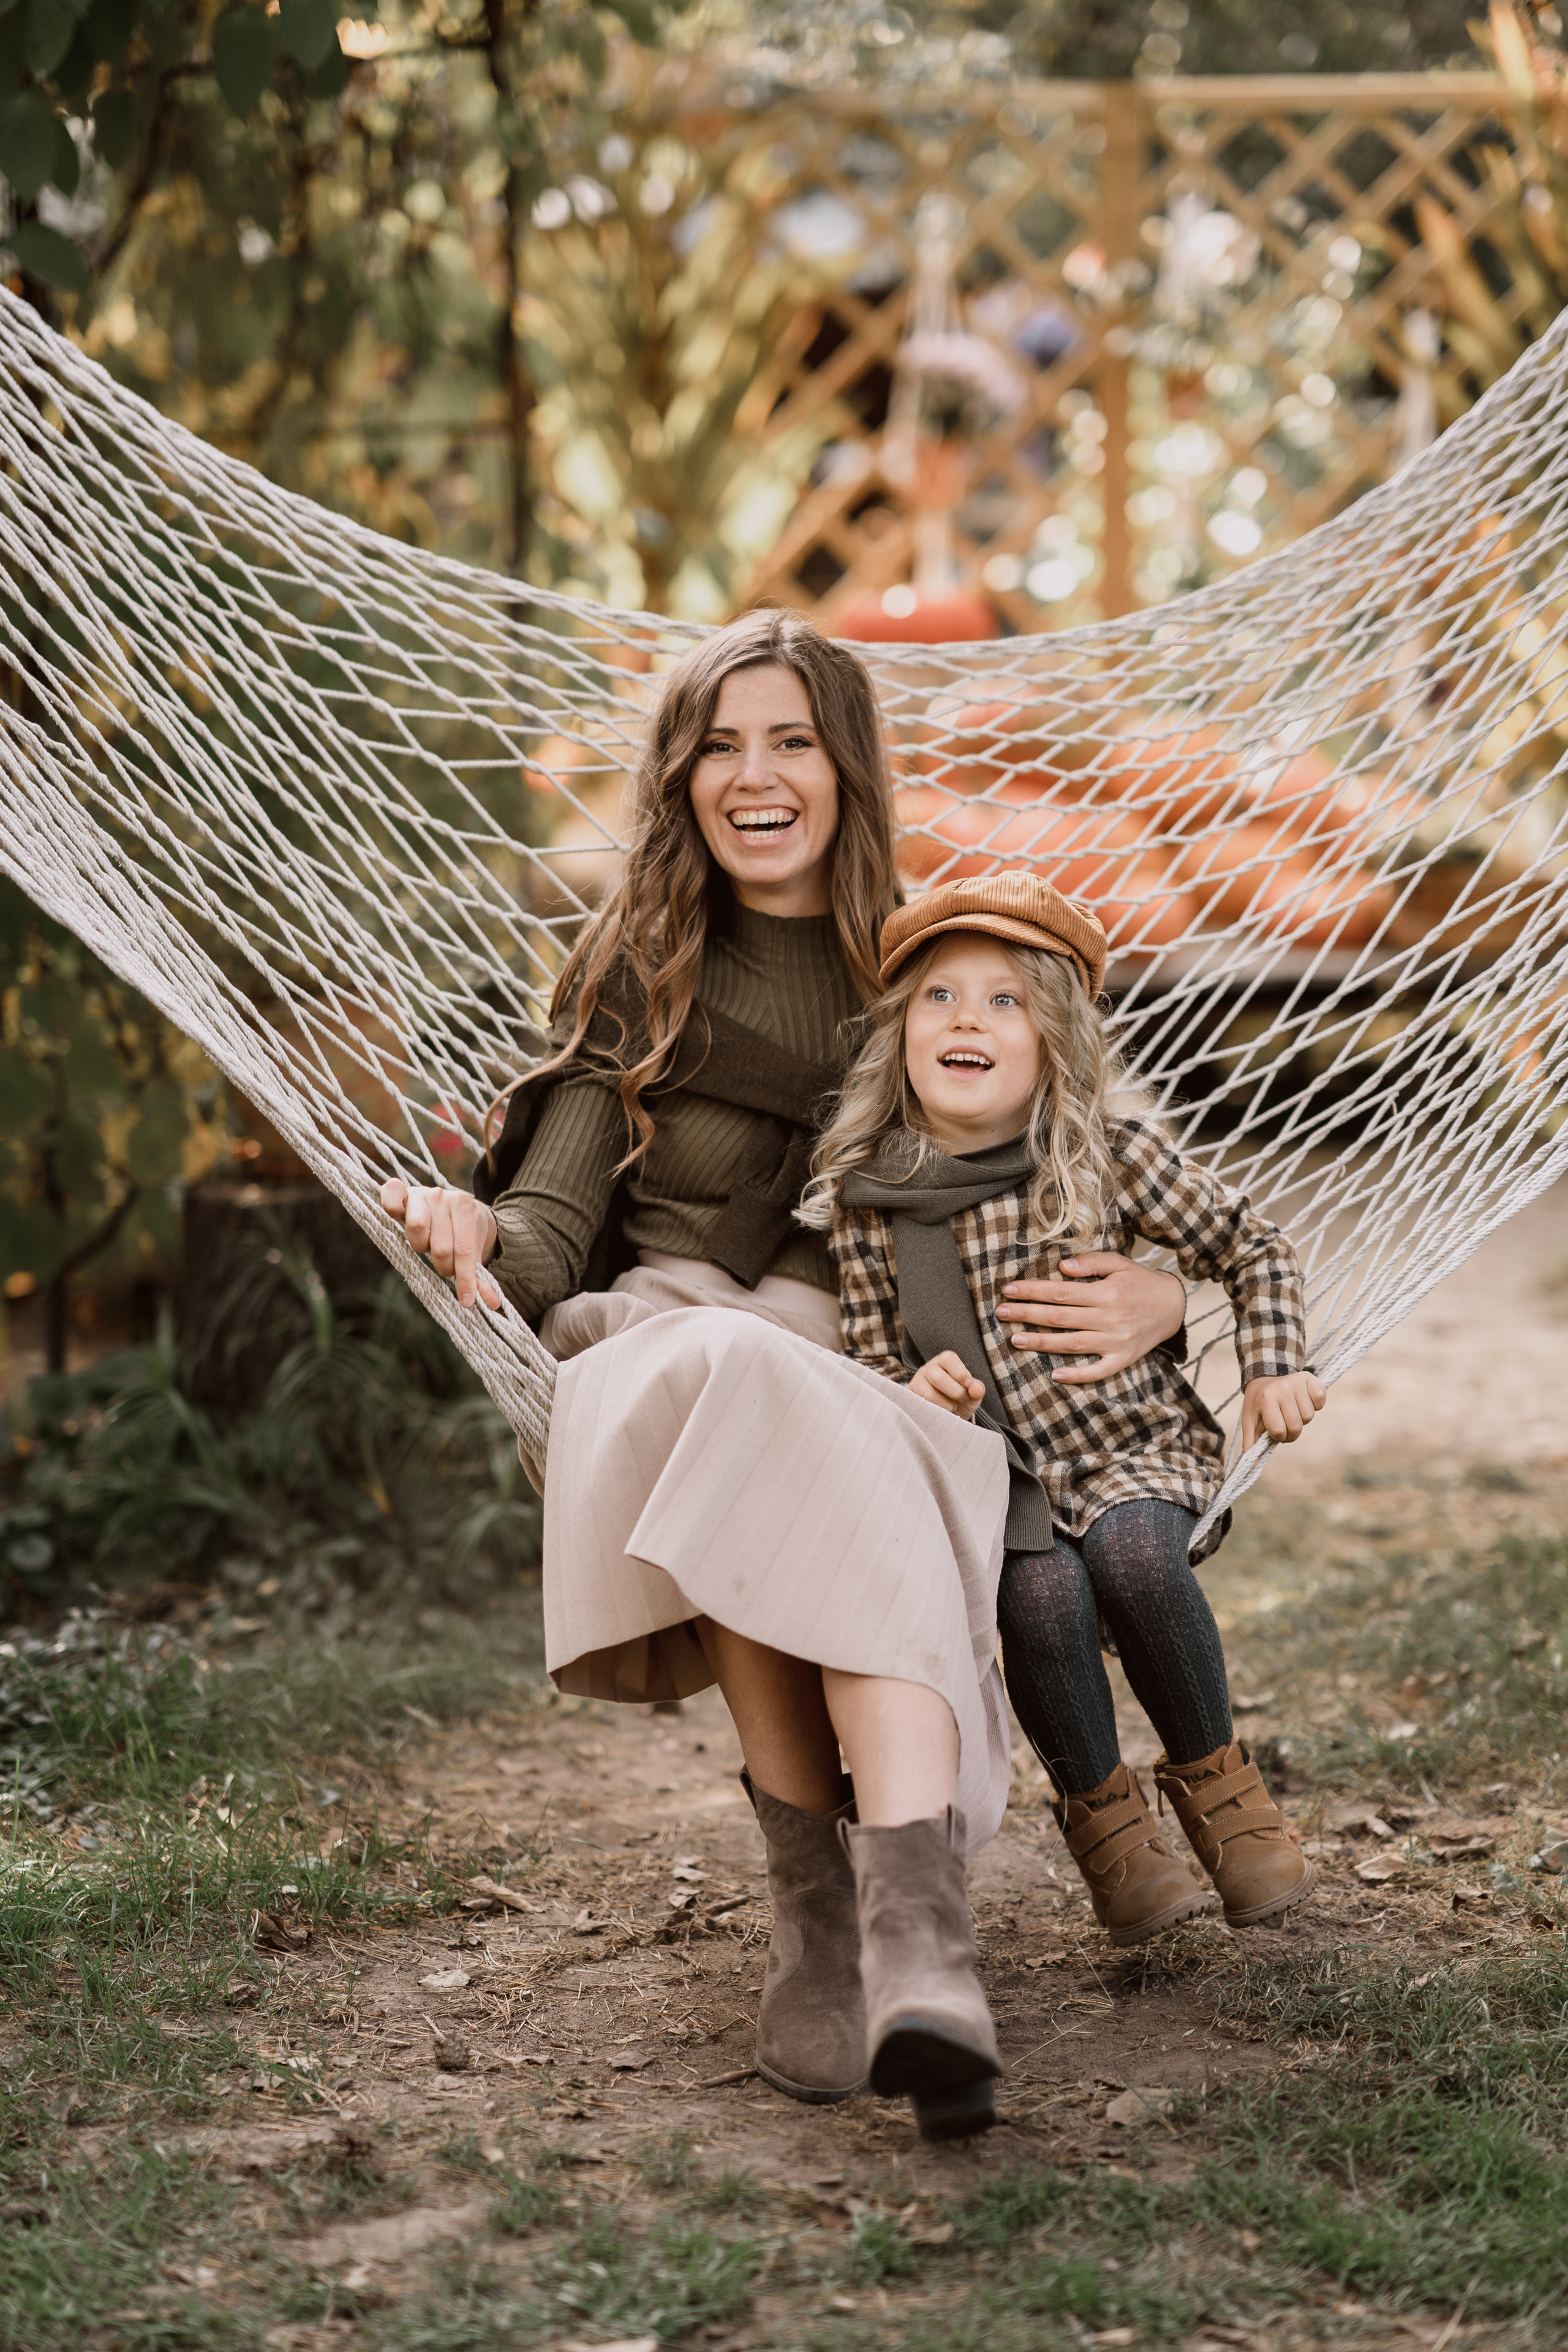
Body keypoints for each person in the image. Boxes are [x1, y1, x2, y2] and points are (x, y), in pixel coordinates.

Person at [379, 612, 1188, 2138]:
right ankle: (846, 1918)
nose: (753, 775)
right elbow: (553, 1227)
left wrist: (1162, 1285)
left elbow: (1082, 1165)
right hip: (652, 1346)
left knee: (815, 1408)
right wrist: (476, 1223)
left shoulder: (925, 965)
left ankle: (898, 1939)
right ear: (681, 778)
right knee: (746, 1379)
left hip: (857, 1364)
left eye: (791, 740)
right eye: (718, 746)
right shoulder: (641, 963)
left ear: (845, 766)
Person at [803, 869, 1322, 1947]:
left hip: (1129, 1447)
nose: (968, 1021)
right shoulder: (868, 1198)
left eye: (1006, 1002)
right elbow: (862, 1352)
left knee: (1134, 1560)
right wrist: (909, 1390)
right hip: (1001, 1481)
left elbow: (1255, 1250)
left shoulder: (1104, 1158)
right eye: (940, 998)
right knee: (1036, 1606)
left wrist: (1272, 1364)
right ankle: (1113, 1838)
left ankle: (1227, 1799)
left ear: (1053, 1042)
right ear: (900, 1035)